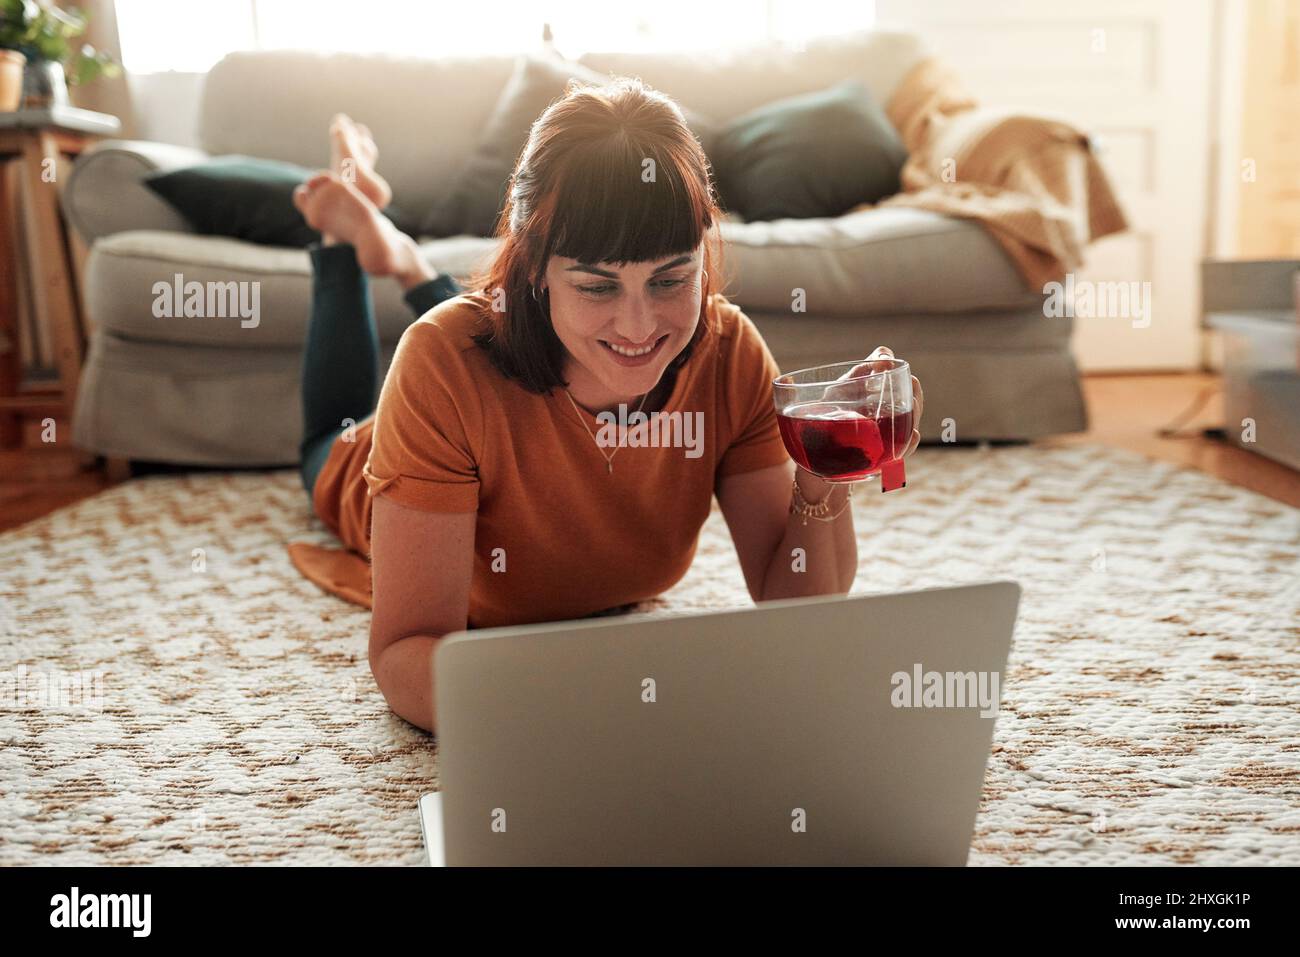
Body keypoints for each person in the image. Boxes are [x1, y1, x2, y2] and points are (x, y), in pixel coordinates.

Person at [291, 82, 923, 733]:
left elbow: (797, 603)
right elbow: (404, 655)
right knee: (331, 431)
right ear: (533, 262)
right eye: (597, 284)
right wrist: (581, 717)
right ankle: (348, 246)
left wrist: (822, 466)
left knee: (494, 335)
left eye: (671, 278)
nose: (639, 324)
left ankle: (403, 256)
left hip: (511, 340)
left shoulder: (729, 353)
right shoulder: (440, 365)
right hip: (365, 456)